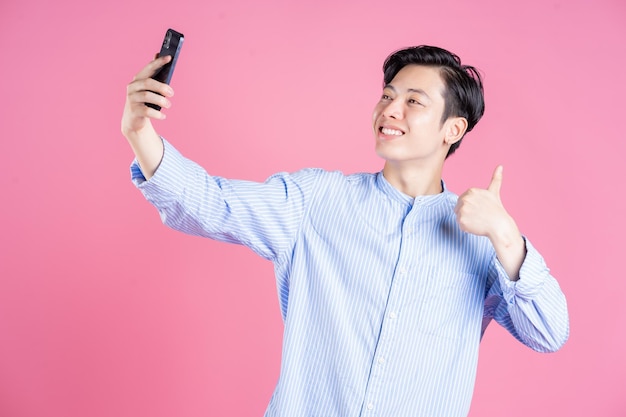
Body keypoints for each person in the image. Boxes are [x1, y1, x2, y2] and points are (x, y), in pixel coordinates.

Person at [121, 45, 569, 417]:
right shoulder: (317, 200)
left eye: (414, 101)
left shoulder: (482, 238)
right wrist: (139, 132)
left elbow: (548, 333)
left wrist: (506, 237)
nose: (390, 109)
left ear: (453, 129)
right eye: (387, 96)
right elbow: (210, 203)